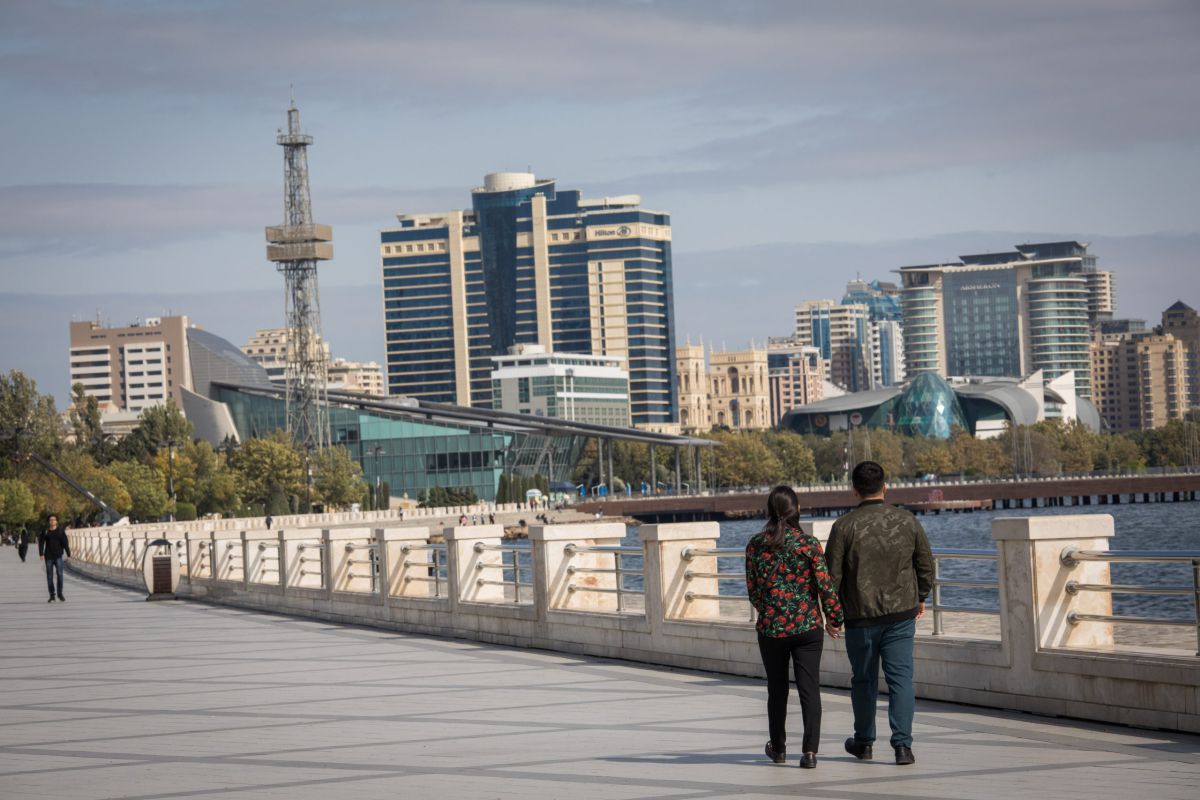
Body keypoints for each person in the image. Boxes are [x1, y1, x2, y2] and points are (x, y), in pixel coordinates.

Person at [824, 461, 934, 767]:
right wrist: (921, 596)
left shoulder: (843, 526)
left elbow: (830, 576)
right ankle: (903, 747)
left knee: (863, 680)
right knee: (901, 680)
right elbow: (925, 564)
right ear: (886, 487)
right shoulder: (907, 521)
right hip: (901, 615)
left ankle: (864, 742)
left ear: (854, 490)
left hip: (859, 619)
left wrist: (831, 614)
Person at [745, 485, 843, 770]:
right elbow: (825, 585)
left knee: (776, 690)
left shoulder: (755, 544)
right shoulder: (808, 544)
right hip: (807, 628)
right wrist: (834, 618)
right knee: (809, 689)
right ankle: (810, 752)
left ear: (769, 511)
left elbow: (753, 591)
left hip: (771, 629)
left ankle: (777, 748)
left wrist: (770, 611)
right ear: (796, 510)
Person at [38, 514, 71, 603]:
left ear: (56, 521)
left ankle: (60, 594)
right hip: (48, 556)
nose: (52, 521)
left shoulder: (60, 531)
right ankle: (52, 595)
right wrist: (41, 553)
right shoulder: (45, 531)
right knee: (49, 577)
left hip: (58, 556)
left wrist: (69, 554)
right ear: (49, 522)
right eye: (51, 520)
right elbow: (41, 542)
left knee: (60, 575)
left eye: (54, 520)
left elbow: (65, 543)